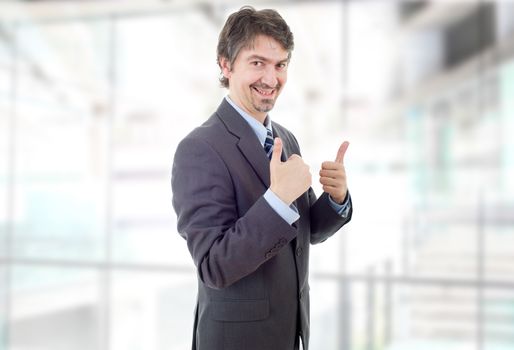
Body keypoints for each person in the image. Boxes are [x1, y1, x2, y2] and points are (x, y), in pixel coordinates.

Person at [171, 6, 352, 350]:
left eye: (280, 64)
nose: (272, 78)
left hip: (289, 334)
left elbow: (305, 231)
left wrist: (337, 198)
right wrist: (276, 200)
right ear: (226, 64)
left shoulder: (286, 138)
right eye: (258, 63)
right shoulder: (199, 148)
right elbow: (214, 266)